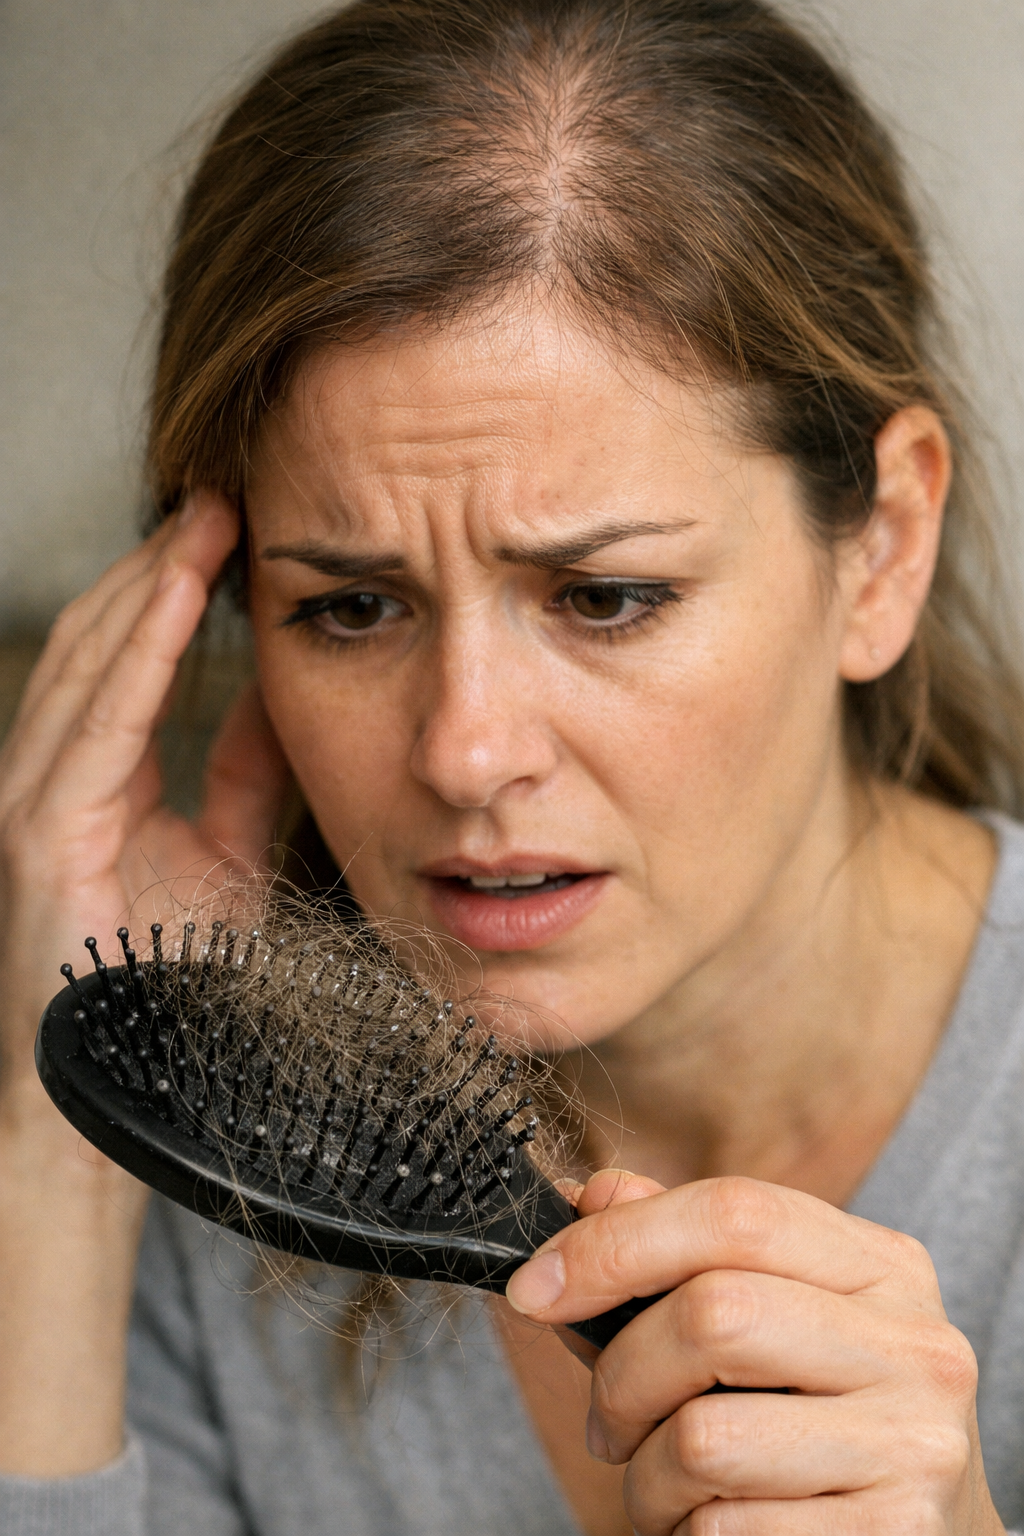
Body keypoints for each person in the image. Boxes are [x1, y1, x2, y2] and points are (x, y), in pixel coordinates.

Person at [2, 0, 1023, 1530]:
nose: (466, 749)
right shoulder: (221, 1153)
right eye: (347, 607)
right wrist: (55, 1140)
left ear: (879, 550)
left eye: (607, 598)